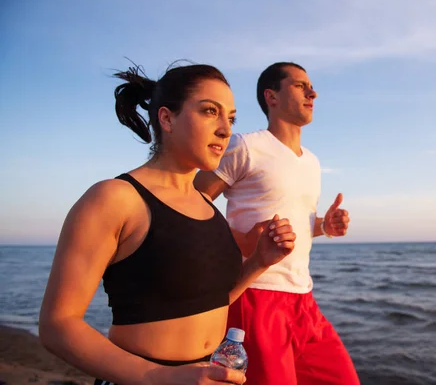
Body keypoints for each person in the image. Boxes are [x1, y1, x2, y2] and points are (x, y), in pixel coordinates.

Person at [39, 62, 297, 385]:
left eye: (230, 118)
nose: (225, 129)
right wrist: (161, 377)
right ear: (167, 118)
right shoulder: (115, 199)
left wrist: (259, 262)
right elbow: (57, 325)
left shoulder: (206, 206)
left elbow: (205, 302)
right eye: (209, 111)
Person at [194, 62, 360, 385]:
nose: (312, 92)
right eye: (300, 86)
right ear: (271, 96)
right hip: (255, 297)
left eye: (311, 86)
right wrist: (241, 240)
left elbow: (295, 225)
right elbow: (188, 203)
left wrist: (325, 226)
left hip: (304, 300)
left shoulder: (312, 162)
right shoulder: (245, 146)